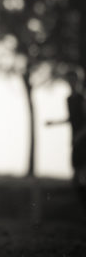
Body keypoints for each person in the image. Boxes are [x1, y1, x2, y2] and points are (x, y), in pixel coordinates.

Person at [47, 66, 86, 212]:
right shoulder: (69, 99)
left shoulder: (82, 98)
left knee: (80, 174)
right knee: (76, 177)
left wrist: (79, 136)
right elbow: (72, 119)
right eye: (69, 79)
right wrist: (54, 123)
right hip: (75, 141)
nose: (71, 82)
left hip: (82, 141)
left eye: (73, 79)